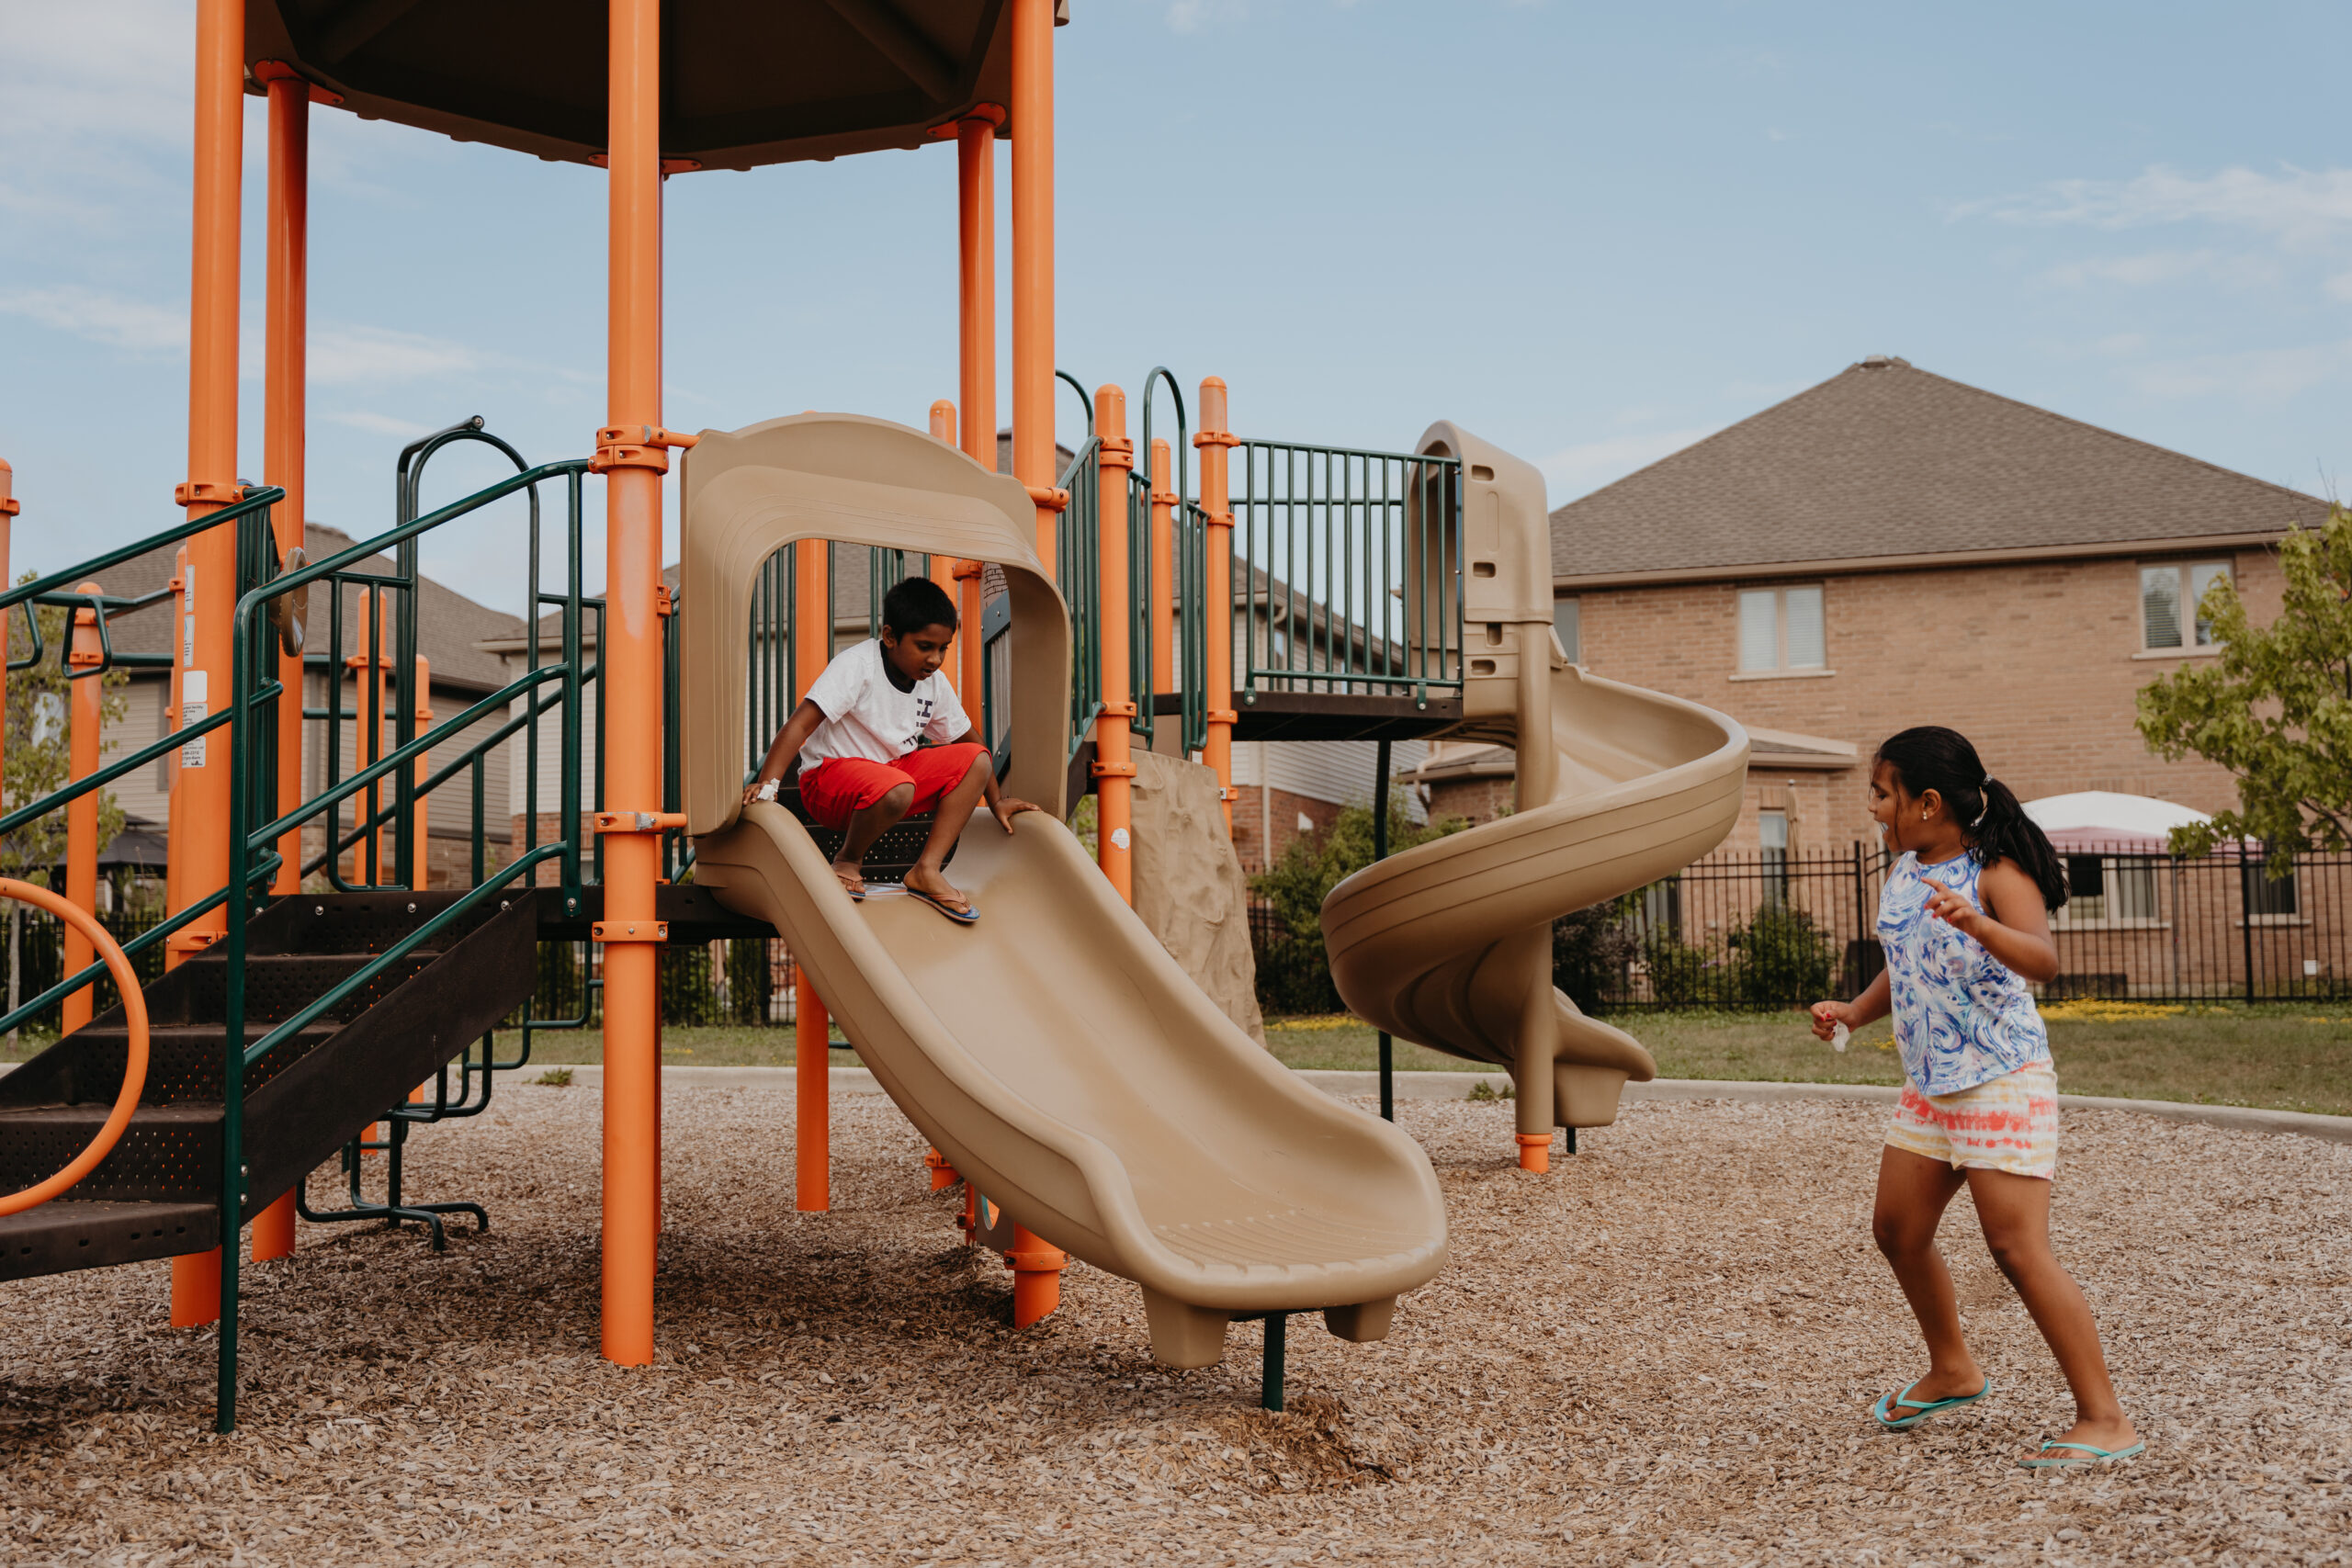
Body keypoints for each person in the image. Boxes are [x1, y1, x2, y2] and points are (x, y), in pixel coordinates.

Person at [1809, 726, 2141, 1469]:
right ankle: (1954, 1367)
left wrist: (1980, 922)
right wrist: (1856, 1011)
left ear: (1927, 802)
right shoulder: (1903, 869)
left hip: (2000, 1078)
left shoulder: (1993, 871)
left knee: (2016, 1248)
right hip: (1932, 1084)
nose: (1873, 806)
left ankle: (2105, 1417)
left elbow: (2044, 960)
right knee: (1897, 1229)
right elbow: (1908, 961)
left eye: (1881, 792)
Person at [741, 575, 1038, 922]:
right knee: (896, 787)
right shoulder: (859, 666)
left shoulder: (934, 684)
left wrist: (996, 799)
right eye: (925, 646)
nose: (936, 659)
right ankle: (848, 861)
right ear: (890, 636)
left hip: (892, 776)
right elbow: (801, 724)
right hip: (829, 781)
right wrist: (769, 784)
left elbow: (969, 740)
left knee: (976, 759)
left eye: (943, 648)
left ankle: (926, 870)